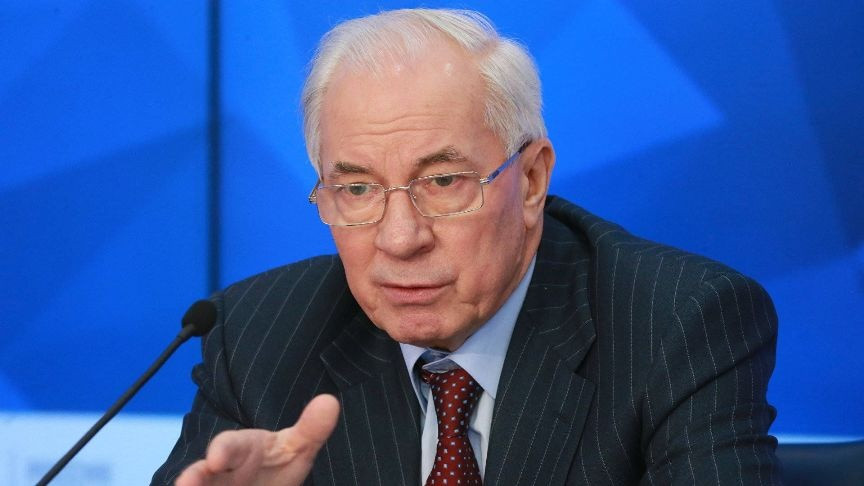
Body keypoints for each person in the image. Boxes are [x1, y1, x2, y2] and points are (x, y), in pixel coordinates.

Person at [154, 8, 780, 486]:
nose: (400, 239)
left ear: (530, 179)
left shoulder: (677, 323)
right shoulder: (259, 337)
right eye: (357, 188)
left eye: (443, 181)